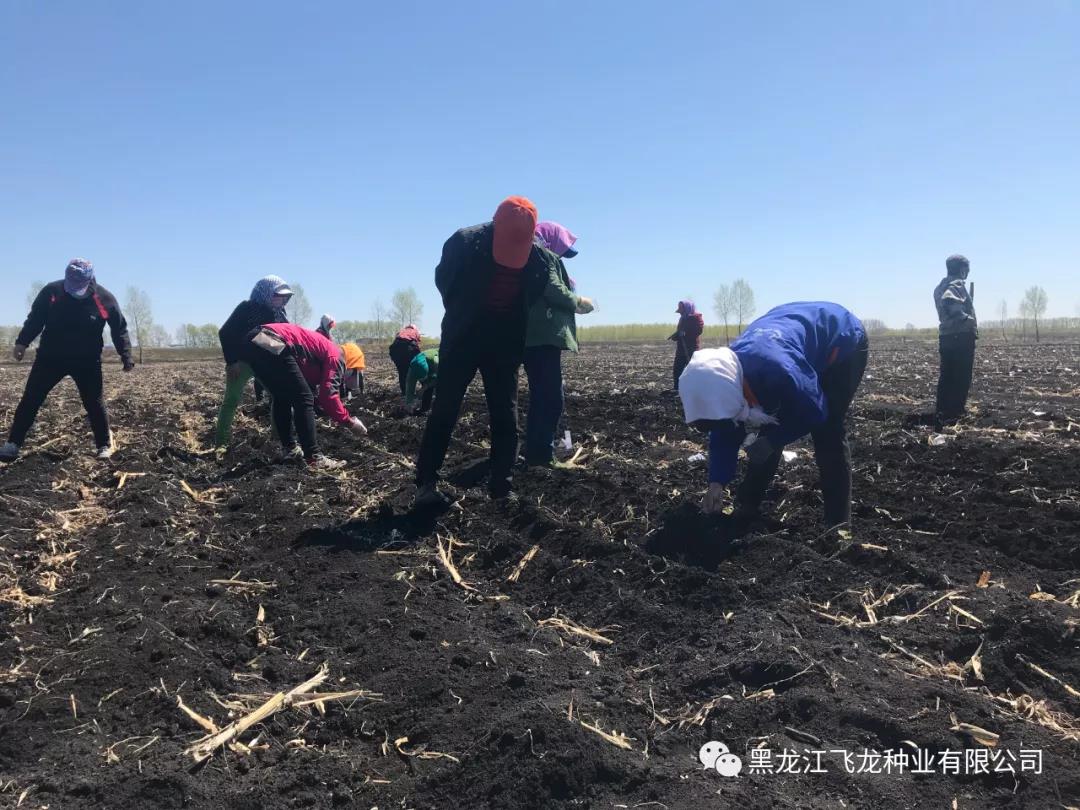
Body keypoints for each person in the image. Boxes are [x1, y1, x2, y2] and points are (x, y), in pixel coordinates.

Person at [413, 196, 554, 505]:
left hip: (504, 340)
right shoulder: (464, 243)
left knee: (505, 412)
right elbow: (444, 281)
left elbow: (531, 295)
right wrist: (468, 312)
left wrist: (502, 322)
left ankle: (502, 486)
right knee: (446, 406)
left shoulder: (539, 261)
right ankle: (426, 482)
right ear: (494, 225)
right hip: (464, 335)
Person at [678, 302, 868, 529]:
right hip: (788, 334)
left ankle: (838, 526)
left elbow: (815, 410)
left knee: (828, 432)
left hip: (841, 342)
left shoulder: (779, 371)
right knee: (767, 430)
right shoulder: (725, 378)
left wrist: (773, 440)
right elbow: (725, 429)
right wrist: (716, 483)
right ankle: (747, 506)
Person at [1, 258, 133, 462]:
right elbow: (35, 319)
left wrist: (126, 354)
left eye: (78, 283)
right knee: (31, 399)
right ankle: (13, 444)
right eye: (70, 282)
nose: (73, 287)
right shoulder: (52, 292)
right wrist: (22, 342)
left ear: (89, 280)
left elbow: (119, 328)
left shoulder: (104, 298)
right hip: (50, 358)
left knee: (94, 402)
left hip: (86, 361)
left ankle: (104, 445)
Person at [242, 323, 366, 469]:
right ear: (351, 363)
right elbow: (328, 395)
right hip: (271, 339)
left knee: (282, 397)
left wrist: (325, 408)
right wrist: (349, 422)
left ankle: (290, 450)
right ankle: (314, 457)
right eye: (354, 371)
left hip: (254, 340)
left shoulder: (322, 354)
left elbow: (312, 391)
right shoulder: (336, 356)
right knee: (304, 399)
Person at [523, 221, 594, 468]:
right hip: (543, 338)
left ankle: (535, 453)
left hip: (532, 338)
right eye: (561, 251)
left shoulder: (527, 256)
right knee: (551, 398)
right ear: (550, 241)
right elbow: (552, 289)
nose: (561, 256)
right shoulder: (543, 257)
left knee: (541, 396)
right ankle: (542, 456)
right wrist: (578, 301)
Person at [215, 276, 292, 448]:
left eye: (284, 297)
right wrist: (231, 362)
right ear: (265, 293)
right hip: (241, 363)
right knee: (232, 400)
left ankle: (278, 440)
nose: (281, 300)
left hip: (264, 364)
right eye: (277, 295)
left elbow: (278, 341)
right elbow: (225, 332)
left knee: (279, 397)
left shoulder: (280, 315)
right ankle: (221, 444)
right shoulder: (247, 308)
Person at [934, 254, 977, 427]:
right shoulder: (956, 284)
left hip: (946, 336)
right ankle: (955, 413)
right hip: (961, 336)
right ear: (962, 270)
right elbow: (949, 301)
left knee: (947, 375)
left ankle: (942, 410)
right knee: (961, 376)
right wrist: (967, 318)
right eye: (967, 269)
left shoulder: (939, 287)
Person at [670, 300, 704, 391]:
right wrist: (676, 336)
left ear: (687, 308)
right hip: (681, 348)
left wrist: (686, 333)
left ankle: (695, 389)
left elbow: (699, 330)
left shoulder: (696, 318)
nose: (680, 312)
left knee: (692, 369)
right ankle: (677, 388)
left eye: (682, 310)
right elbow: (680, 331)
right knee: (677, 369)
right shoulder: (682, 319)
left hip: (692, 349)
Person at [388, 324, 422, 396]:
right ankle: (417, 389)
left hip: (394, 350)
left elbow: (396, 340)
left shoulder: (401, 331)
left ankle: (404, 393)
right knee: (416, 368)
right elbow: (417, 342)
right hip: (408, 348)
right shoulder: (415, 331)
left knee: (402, 372)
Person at [404, 348, 439, 414]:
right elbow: (409, 386)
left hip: (437, 365)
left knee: (438, 386)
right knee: (426, 388)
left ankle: (439, 407)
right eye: (420, 379)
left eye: (424, 378)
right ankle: (425, 408)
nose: (422, 380)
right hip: (426, 369)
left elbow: (439, 378)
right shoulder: (413, 370)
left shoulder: (436, 362)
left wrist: (426, 386)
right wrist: (409, 403)